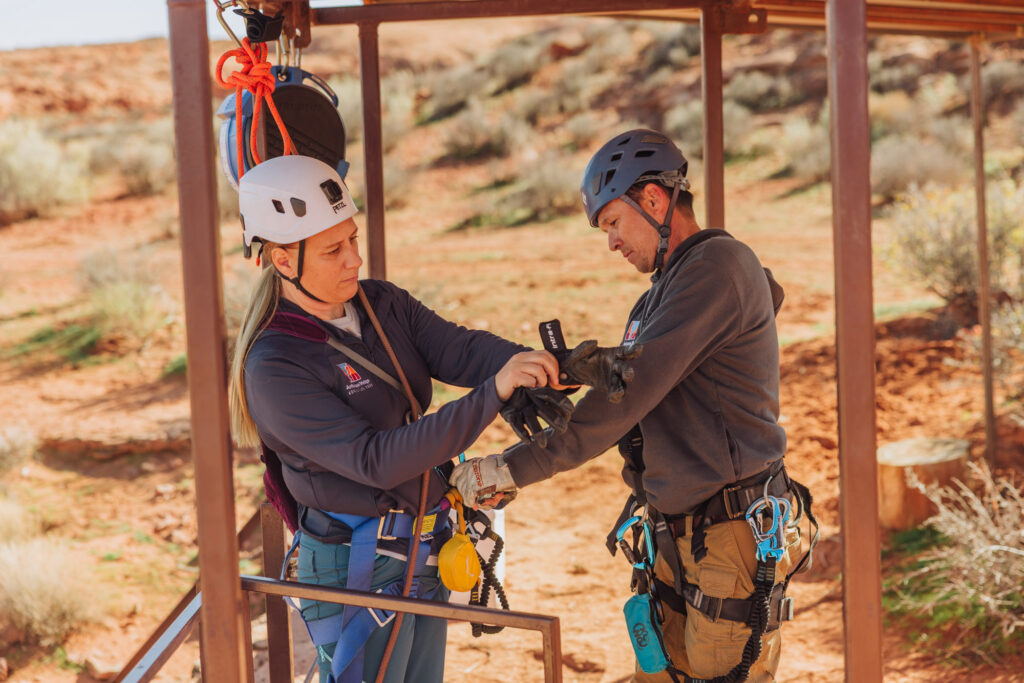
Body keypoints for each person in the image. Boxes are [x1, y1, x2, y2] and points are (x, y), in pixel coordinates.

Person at [451, 129, 815, 683]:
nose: (612, 243)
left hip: (729, 539)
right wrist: (574, 370)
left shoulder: (718, 265)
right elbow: (646, 369)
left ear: (653, 200)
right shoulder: (666, 290)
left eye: (613, 223)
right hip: (677, 537)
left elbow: (628, 395)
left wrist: (511, 468)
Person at [227, 154, 571, 683]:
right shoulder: (275, 364)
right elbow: (376, 460)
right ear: (282, 260)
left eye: (353, 240)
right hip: (353, 564)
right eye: (333, 250)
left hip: (421, 544)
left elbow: (459, 349)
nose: (354, 260)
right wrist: (495, 391)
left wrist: (539, 366)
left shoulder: (380, 304)